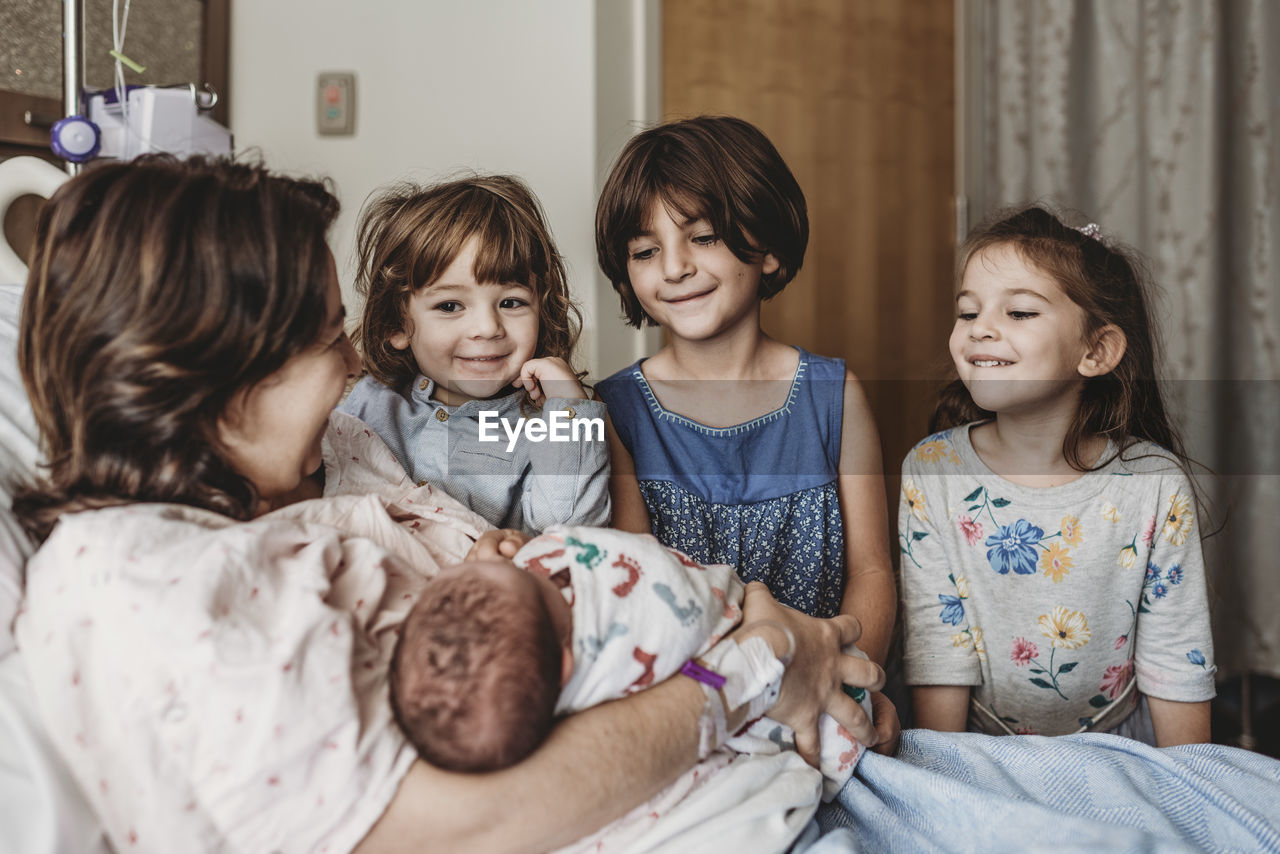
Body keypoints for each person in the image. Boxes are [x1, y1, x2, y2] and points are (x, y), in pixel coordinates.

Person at [11, 154, 884, 854]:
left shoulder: (333, 472)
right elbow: (469, 825)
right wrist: (756, 664)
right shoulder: (134, 583)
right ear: (217, 371)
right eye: (327, 339)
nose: (354, 366)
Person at [593, 115, 898, 739]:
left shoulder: (835, 394)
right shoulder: (614, 412)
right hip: (692, 706)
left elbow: (872, 571)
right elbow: (641, 590)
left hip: (825, 694)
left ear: (768, 246)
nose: (673, 268)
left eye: (701, 238)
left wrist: (845, 675)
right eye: (646, 251)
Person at [899, 205, 1214, 747]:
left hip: (1122, 742)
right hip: (980, 746)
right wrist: (940, 784)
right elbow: (938, 646)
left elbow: (1175, 657)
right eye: (968, 312)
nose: (981, 330)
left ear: (1096, 350)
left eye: (1019, 312)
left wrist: (1190, 794)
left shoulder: (1153, 483)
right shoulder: (933, 471)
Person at [390, 526, 872, 804]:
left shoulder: (502, 677)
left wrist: (487, 563)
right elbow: (710, 663)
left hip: (807, 651)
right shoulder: (611, 660)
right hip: (775, 696)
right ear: (564, 667)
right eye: (550, 590)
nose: (551, 575)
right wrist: (755, 652)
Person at [339, 174, 610, 533]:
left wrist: (568, 412)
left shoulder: (543, 428)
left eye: (511, 302)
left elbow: (570, 534)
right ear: (397, 325)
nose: (487, 327)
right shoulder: (370, 403)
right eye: (450, 306)